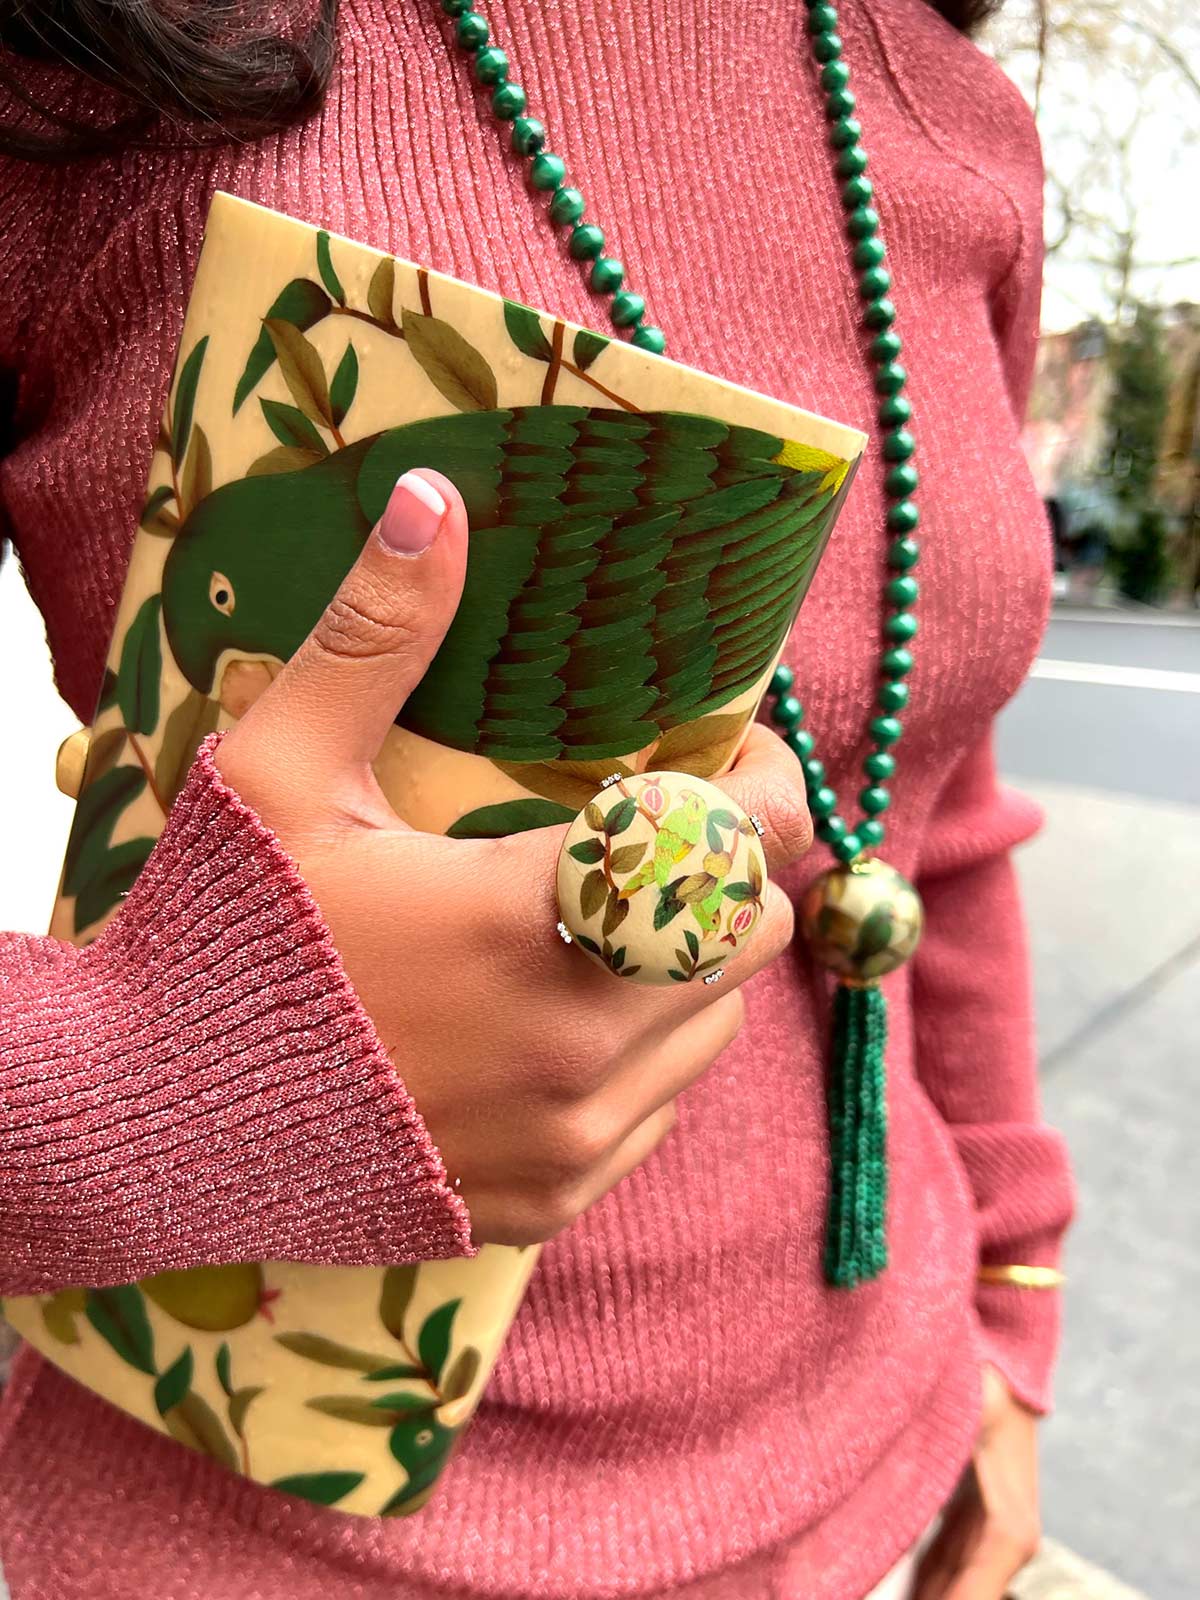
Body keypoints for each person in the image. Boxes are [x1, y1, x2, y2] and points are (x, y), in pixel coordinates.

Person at [0, 2, 1074, 1597]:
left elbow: (932, 801)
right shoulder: (100, 57)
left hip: (887, 1473)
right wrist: (132, 1093)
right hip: (256, 1524)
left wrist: (1009, 1298)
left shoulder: (953, 112)